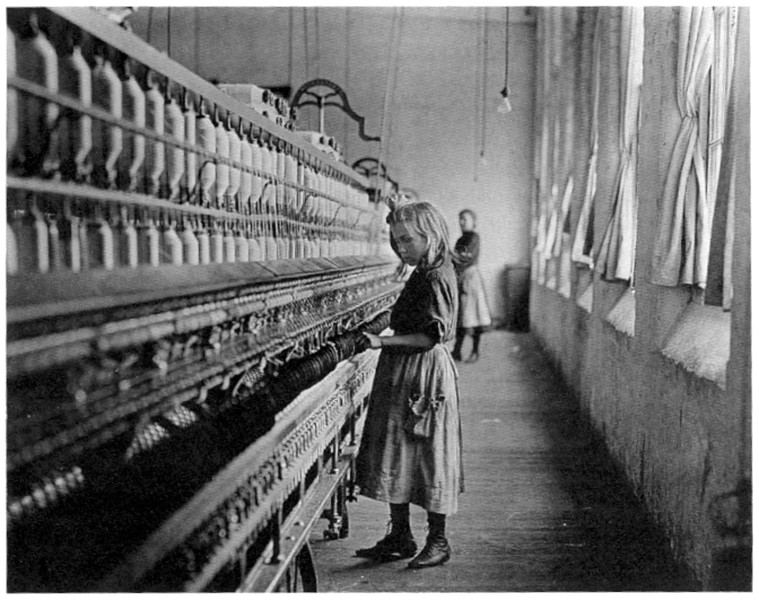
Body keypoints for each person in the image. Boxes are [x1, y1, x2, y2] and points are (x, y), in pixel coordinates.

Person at [356, 199, 464, 570]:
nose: (400, 248)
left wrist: (380, 341)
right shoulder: (423, 271)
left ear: (429, 236)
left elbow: (431, 336)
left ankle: (439, 540)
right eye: (394, 240)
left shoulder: (435, 275)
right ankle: (400, 535)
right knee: (397, 451)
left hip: (423, 373)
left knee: (429, 455)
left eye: (406, 240)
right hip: (404, 372)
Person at [452, 209, 491, 363]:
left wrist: (452, 256)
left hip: (471, 279)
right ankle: (457, 350)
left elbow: (464, 258)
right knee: (462, 316)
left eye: (465, 219)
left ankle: (475, 351)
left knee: (474, 317)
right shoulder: (461, 239)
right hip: (462, 278)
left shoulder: (474, 238)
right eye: (460, 219)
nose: (462, 222)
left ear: (473, 222)